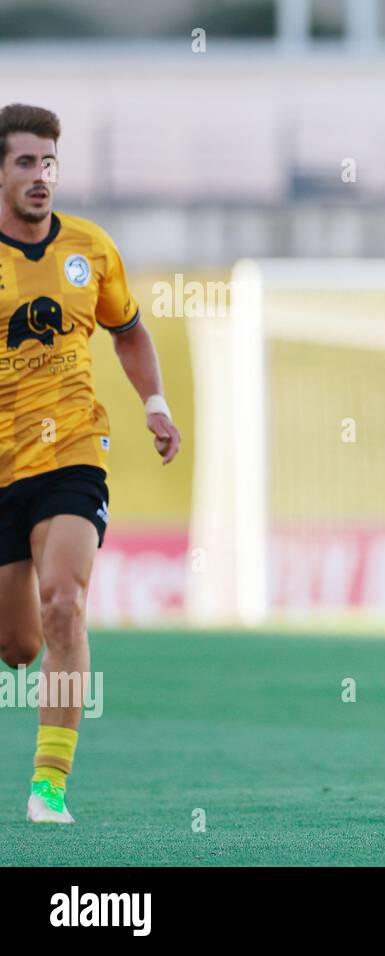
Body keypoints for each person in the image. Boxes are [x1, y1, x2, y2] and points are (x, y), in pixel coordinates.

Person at [0, 104, 181, 823]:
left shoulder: (91, 248)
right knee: (17, 647)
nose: (41, 177)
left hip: (75, 449)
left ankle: (50, 786)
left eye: (49, 162)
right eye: (24, 162)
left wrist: (156, 403)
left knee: (64, 601)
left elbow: (129, 331)